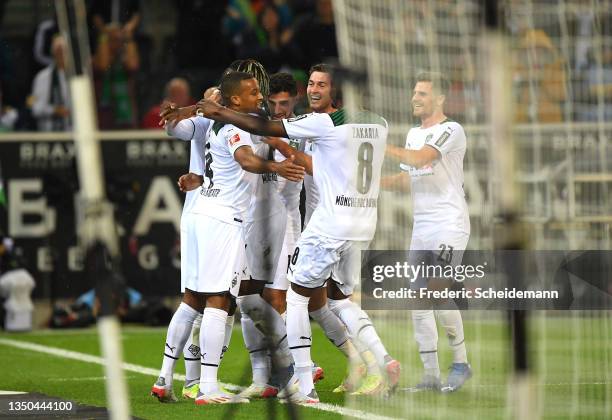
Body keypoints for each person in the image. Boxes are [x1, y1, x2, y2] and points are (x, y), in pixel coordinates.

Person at [197, 63, 401, 404]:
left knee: (296, 299)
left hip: (324, 223)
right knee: (336, 300)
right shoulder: (378, 124)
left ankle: (304, 385)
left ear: (338, 91)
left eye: (323, 85)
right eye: (312, 83)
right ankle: (379, 359)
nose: (315, 90)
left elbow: (265, 127)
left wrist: (221, 113)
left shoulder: (323, 123)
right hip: (361, 224)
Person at [158, 70, 304, 405]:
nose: (260, 97)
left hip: (202, 210)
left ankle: (166, 377)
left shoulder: (223, 122)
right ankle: (208, 386)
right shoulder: (237, 125)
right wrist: (276, 167)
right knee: (219, 301)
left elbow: (216, 144)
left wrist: (197, 175)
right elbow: (247, 160)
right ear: (235, 99)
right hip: (222, 219)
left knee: (193, 299)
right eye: (253, 92)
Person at [382, 71, 472, 393]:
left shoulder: (451, 130)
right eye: (414, 93)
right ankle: (431, 376)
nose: (415, 99)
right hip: (421, 226)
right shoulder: (411, 134)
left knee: (436, 290)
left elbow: (422, 159)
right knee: (418, 299)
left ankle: (461, 363)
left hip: (450, 223)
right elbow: (410, 176)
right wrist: (371, 186)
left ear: (439, 99)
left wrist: (382, 145)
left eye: (422, 94)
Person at [92, 23, 139, 129]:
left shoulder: (124, 61)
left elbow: (133, 64)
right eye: (112, 39)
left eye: (119, 40)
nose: (117, 43)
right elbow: (103, 65)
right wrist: (104, 35)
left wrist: (128, 36)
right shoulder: (95, 61)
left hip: (125, 116)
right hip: (102, 117)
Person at [30, 35, 70, 131]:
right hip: (49, 135)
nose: (61, 54)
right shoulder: (42, 77)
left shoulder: (78, 77)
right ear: (53, 53)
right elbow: (35, 108)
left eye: (63, 51)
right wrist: (54, 110)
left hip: (74, 133)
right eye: (58, 51)